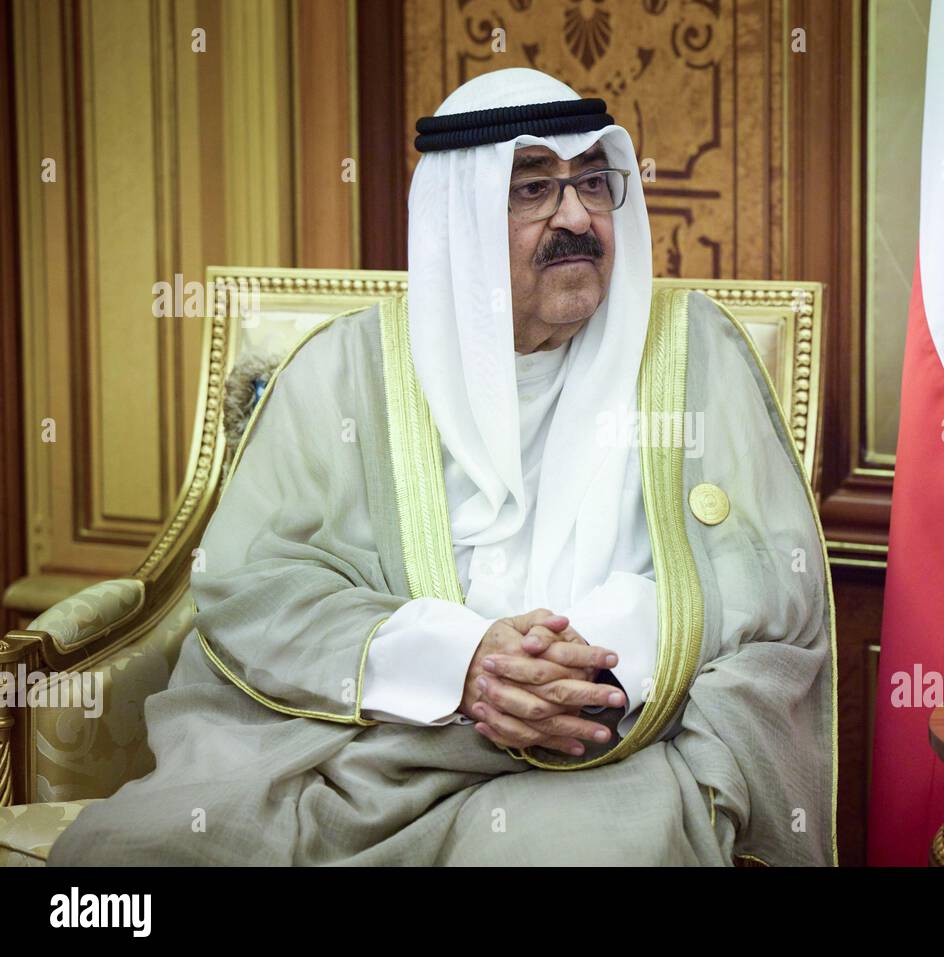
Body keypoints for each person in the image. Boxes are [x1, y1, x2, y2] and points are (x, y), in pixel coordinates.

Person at [47, 67, 837, 866]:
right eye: (533, 189)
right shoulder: (343, 371)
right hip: (371, 741)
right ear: (458, 221)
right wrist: (460, 662)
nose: (576, 216)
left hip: (606, 744)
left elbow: (773, 570)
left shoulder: (694, 350)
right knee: (132, 862)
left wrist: (594, 657)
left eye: (593, 183)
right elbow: (253, 582)